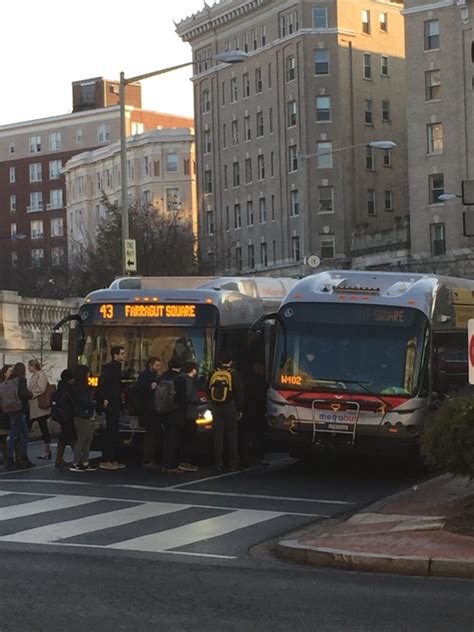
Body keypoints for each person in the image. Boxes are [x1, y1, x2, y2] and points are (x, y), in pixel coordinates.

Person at [209, 353, 244, 472]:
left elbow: (207, 390)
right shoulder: (234, 374)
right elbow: (239, 393)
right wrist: (239, 409)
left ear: (219, 361)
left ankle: (218, 463)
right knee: (232, 435)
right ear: (230, 362)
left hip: (216, 406)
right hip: (230, 406)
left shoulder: (213, 373)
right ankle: (233, 463)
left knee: (218, 436)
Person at [99, 346, 126, 471]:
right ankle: (106, 459)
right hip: (111, 403)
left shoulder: (118, 368)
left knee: (114, 431)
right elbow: (104, 384)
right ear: (115, 355)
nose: (124, 355)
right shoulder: (110, 368)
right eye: (122, 353)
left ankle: (112, 458)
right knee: (110, 431)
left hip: (115, 402)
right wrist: (105, 398)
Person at [135, 357, 162, 469]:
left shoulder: (152, 376)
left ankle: (150, 458)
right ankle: (148, 459)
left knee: (152, 434)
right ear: (150, 365)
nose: (158, 368)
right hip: (149, 409)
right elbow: (141, 390)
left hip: (152, 409)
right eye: (156, 365)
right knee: (150, 435)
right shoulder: (146, 377)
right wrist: (151, 387)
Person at [6, 363, 34, 470]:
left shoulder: (10, 379)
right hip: (19, 409)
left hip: (10, 408)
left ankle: (12, 458)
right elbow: (23, 394)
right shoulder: (22, 379)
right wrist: (30, 395)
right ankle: (20, 458)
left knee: (15, 434)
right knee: (22, 434)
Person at [240, 361, 268, 466]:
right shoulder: (263, 382)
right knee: (258, 436)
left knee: (247, 436)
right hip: (259, 412)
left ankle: (246, 457)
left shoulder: (247, 381)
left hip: (248, 411)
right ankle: (258, 458)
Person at [175, 362, 200, 472]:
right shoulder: (189, 381)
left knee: (181, 437)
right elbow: (188, 396)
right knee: (189, 438)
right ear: (193, 370)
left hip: (180, 413)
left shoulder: (179, 378)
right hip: (190, 413)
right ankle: (185, 462)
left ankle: (179, 460)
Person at [70, 365, 96, 472]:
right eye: (88, 373)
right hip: (81, 415)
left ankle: (85, 461)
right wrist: (94, 403)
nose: (89, 375)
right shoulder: (81, 388)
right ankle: (76, 462)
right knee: (82, 438)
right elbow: (85, 401)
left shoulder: (81, 386)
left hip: (84, 414)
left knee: (88, 438)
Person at [160, 357, 184, 474]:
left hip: (164, 412)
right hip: (176, 413)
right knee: (174, 440)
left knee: (166, 439)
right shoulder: (180, 379)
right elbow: (182, 398)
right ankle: (171, 465)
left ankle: (164, 464)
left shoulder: (163, 376)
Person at [27, 359, 52, 459]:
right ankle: (47, 450)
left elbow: (41, 389)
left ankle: (47, 450)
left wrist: (31, 394)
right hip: (33, 406)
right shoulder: (34, 375)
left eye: (29, 366)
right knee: (42, 427)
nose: (28, 368)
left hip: (39, 406)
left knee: (42, 428)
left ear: (34, 366)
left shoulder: (41, 375)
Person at [53, 369, 76, 468]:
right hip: (68, 415)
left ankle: (59, 458)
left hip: (60, 415)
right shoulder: (70, 388)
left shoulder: (59, 388)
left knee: (64, 435)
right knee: (72, 436)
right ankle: (78, 459)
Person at [0, 365, 13, 465]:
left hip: (5, 412)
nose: (11, 373)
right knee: (2, 437)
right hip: (3, 412)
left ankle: (6, 458)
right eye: (10, 371)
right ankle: (6, 459)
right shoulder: (4, 384)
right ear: (4, 372)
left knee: (3, 437)